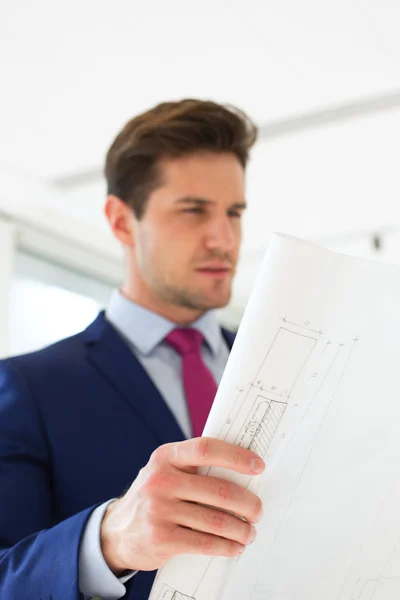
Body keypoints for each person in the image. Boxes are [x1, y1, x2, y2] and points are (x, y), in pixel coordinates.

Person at [0, 99, 265, 600]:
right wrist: (108, 541)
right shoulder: (29, 387)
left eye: (234, 212)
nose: (224, 238)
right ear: (122, 221)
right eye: (193, 210)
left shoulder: (282, 367)